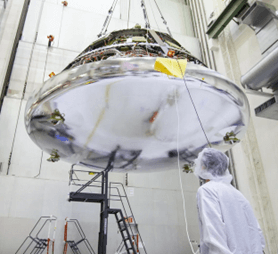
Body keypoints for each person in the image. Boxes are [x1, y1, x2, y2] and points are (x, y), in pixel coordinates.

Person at [193, 148, 265, 254]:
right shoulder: (238, 194)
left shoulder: (207, 190)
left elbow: (213, 232)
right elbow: (256, 231)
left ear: (203, 167)